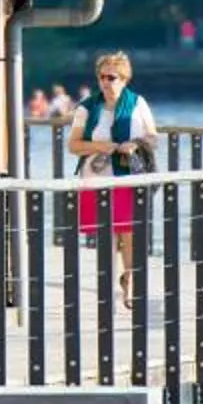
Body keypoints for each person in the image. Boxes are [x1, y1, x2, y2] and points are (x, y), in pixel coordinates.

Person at [68, 52, 158, 306]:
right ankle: (106, 288)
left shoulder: (137, 103)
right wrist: (102, 146)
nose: (106, 82)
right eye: (102, 77)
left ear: (124, 79)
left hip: (129, 175)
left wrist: (134, 143)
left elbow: (153, 137)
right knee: (105, 235)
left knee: (130, 233)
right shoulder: (86, 107)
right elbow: (73, 145)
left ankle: (129, 282)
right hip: (96, 178)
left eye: (112, 77)